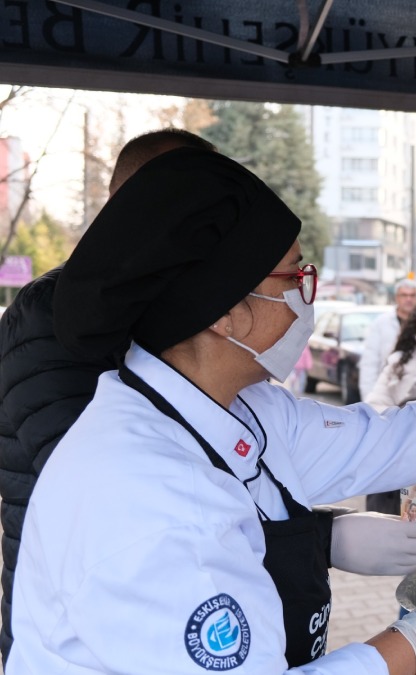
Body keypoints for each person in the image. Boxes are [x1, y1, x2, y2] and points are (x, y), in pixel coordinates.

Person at [9, 148, 416, 674]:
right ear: (225, 311)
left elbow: (396, 439)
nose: (312, 293)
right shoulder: (153, 497)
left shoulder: (236, 409)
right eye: (294, 277)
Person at [0, 128, 218, 665]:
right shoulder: (48, 316)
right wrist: (317, 537)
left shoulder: (172, 313)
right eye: (179, 196)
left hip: (160, 604)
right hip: (72, 628)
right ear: (124, 204)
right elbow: (121, 493)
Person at [359, 279, 416, 401]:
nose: (409, 299)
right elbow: (370, 363)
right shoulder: (381, 323)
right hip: (385, 391)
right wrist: (368, 398)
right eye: (404, 295)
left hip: (415, 392)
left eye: (412, 295)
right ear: (397, 298)